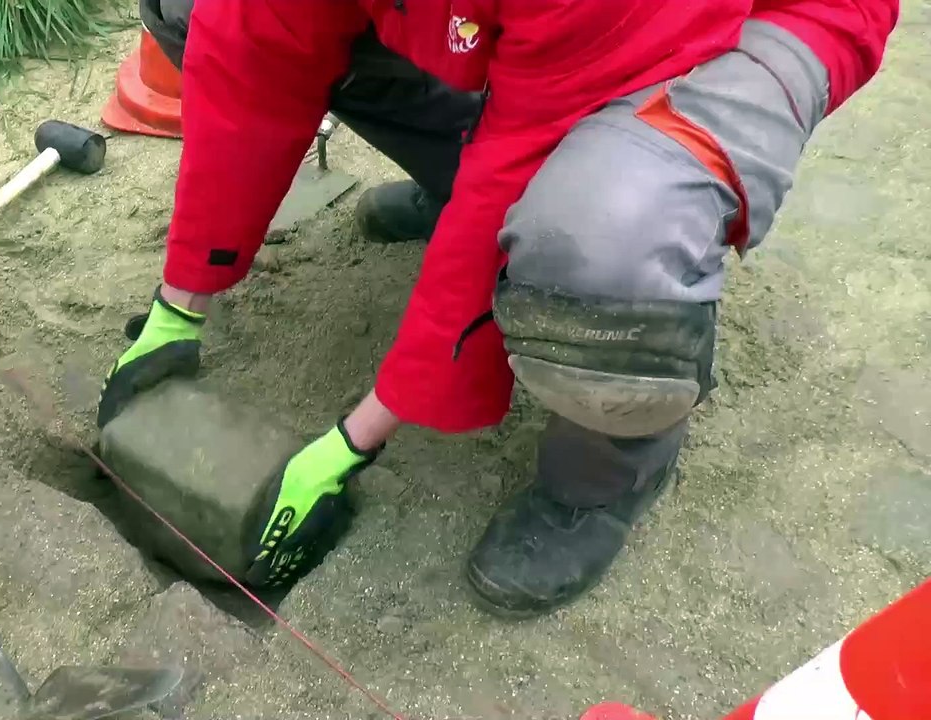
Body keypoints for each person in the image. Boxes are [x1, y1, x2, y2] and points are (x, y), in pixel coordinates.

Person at [98, 0, 898, 616]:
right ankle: (480, 169)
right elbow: (261, 36)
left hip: (730, 21)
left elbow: (519, 158)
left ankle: (608, 473)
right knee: (192, 9)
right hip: (557, 43)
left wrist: (354, 441)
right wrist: (181, 303)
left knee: (596, 241)